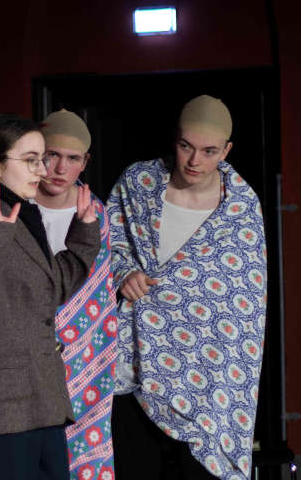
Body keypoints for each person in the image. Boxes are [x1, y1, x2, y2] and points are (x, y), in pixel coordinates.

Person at [106, 96, 267, 480]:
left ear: (226, 151)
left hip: (207, 368)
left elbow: (245, 304)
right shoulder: (139, 182)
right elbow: (105, 243)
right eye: (186, 146)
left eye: (209, 151)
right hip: (136, 356)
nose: (195, 161)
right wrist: (124, 272)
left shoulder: (240, 206)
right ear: (174, 140)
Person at [0, 113, 101, 480]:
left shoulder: (22, 211)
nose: (42, 170)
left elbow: (49, 289)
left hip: (40, 402)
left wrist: (83, 234)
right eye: (30, 160)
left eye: (41, 159)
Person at [34, 110, 118, 480]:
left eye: (72, 159)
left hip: (82, 359)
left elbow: (100, 301)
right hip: (22, 355)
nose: (60, 168)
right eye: (51, 155)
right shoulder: (12, 205)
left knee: (77, 454)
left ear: (85, 163)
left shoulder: (97, 215)